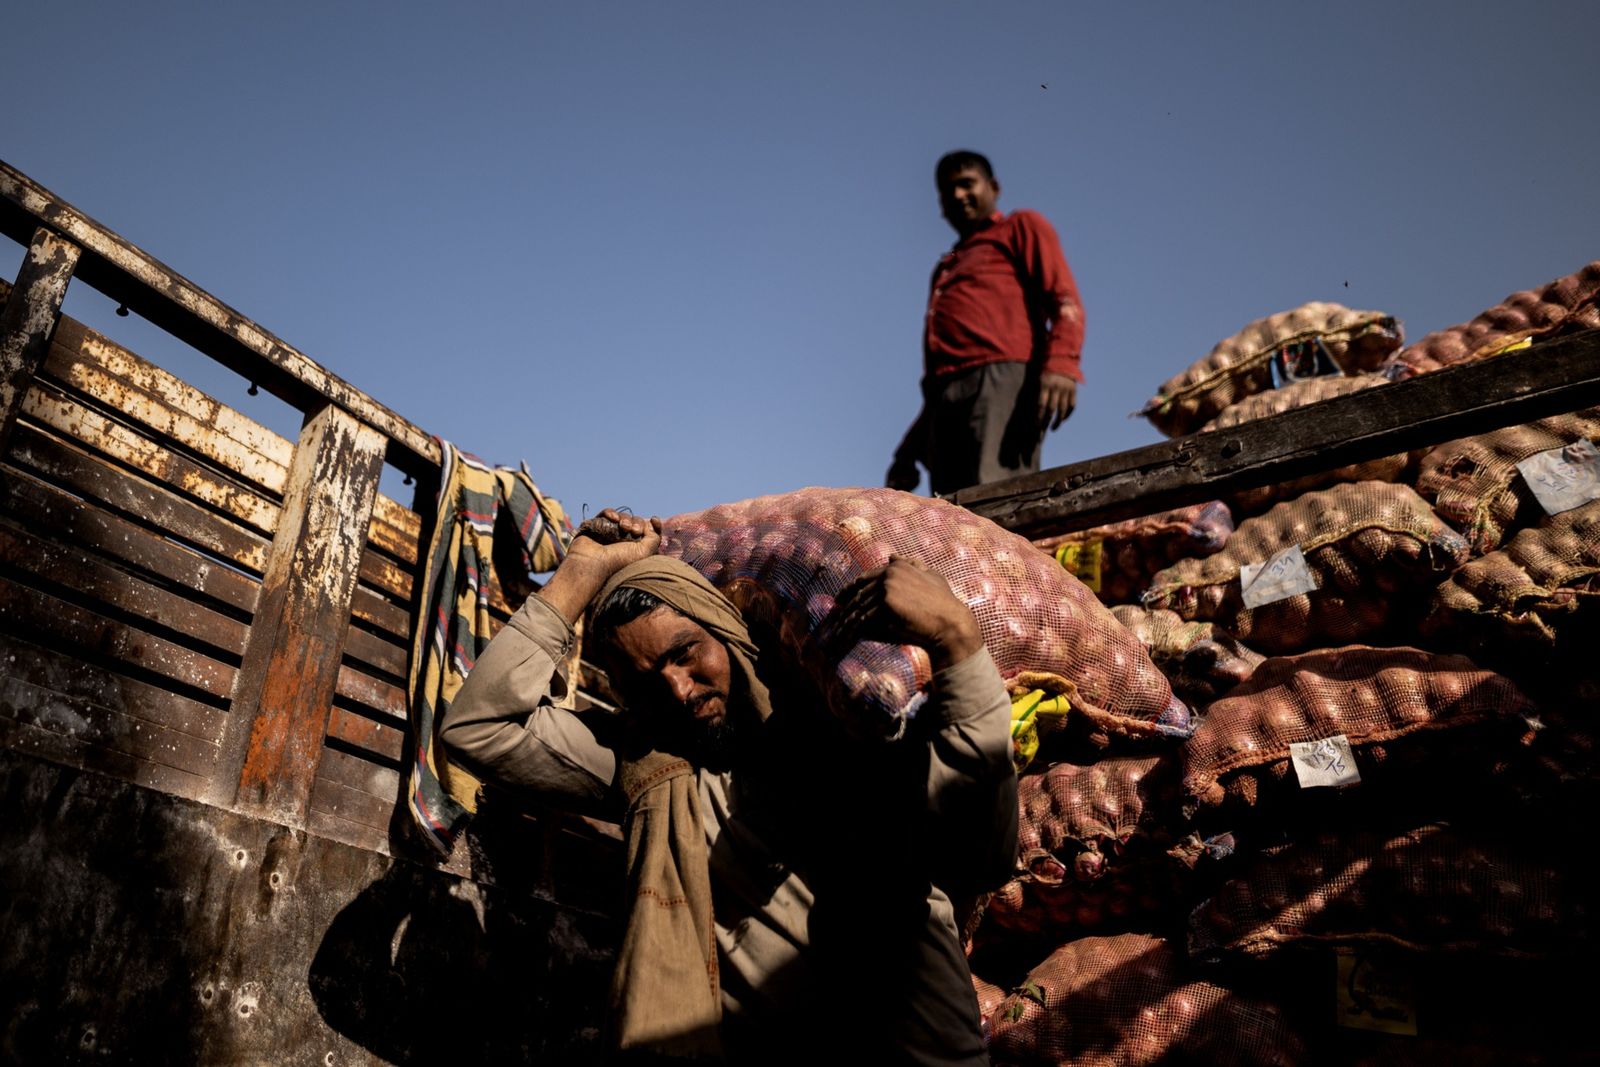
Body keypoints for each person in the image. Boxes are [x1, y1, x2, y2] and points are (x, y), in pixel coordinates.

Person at [442, 509, 1018, 1065]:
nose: (678, 691)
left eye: (684, 654)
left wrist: (957, 640)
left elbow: (983, 857)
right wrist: (578, 575)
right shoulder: (650, 765)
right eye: (642, 683)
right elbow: (478, 728)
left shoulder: (845, 720)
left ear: (723, 626)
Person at [887, 150, 1085, 495]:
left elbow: (1064, 299)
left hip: (1002, 382)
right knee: (949, 512)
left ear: (993, 187)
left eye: (967, 184)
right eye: (947, 190)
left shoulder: (1019, 227)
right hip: (945, 397)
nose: (958, 195)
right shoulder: (946, 265)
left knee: (995, 500)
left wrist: (1062, 363)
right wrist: (909, 448)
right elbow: (937, 380)